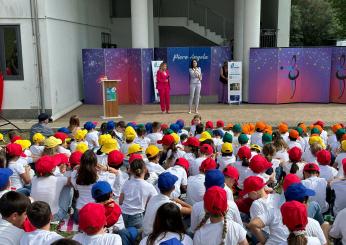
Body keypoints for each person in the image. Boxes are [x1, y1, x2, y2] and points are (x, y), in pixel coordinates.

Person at [143, 172, 192, 237]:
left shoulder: (153, 198)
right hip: (155, 236)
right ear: (173, 188)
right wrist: (179, 201)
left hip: (146, 233)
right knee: (187, 219)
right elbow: (192, 210)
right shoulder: (169, 204)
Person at [245, 176, 289, 244]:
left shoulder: (256, 204)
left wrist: (245, 224)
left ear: (254, 193)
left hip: (267, 235)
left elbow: (255, 226)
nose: (248, 195)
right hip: (282, 232)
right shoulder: (277, 196)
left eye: (248, 193)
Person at [119, 158, 157, 229]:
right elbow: (154, 202)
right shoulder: (149, 186)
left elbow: (120, 201)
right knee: (137, 237)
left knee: (128, 234)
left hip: (124, 214)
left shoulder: (126, 182)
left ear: (131, 171)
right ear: (145, 169)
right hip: (138, 215)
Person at [30, 155, 70, 221]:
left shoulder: (34, 179)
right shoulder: (59, 180)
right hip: (53, 216)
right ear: (53, 169)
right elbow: (73, 181)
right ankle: (67, 210)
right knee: (68, 187)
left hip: (36, 214)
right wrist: (65, 172)